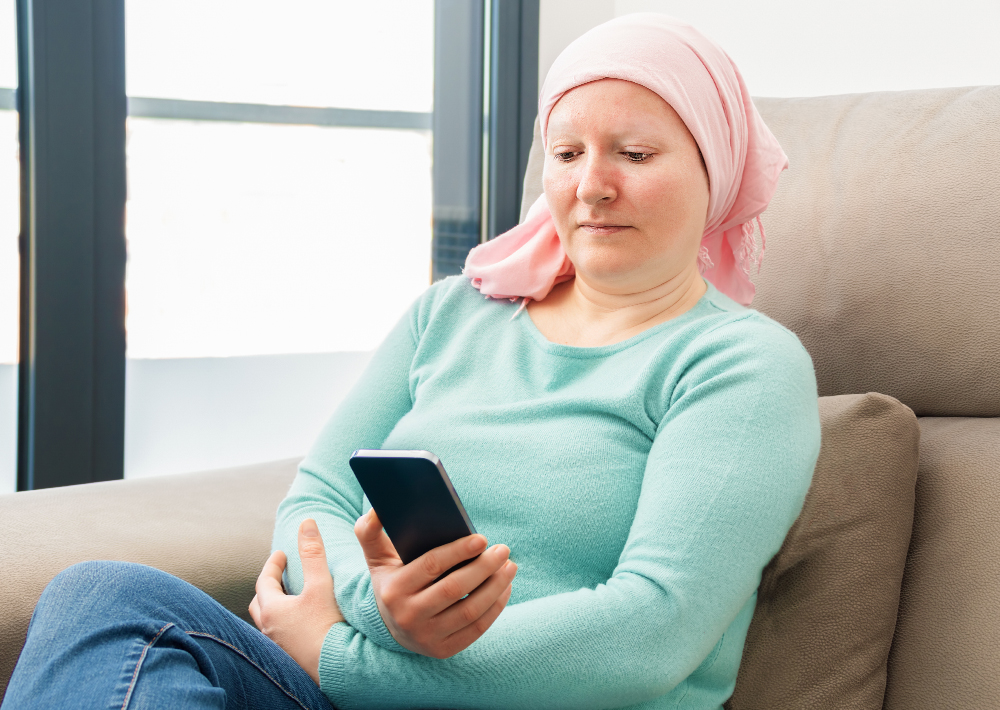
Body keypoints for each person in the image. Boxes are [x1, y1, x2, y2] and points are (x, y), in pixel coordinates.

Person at [2, 13, 820, 710]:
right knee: (104, 598)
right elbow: (319, 494)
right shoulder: (452, 313)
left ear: (713, 173)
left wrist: (340, 657)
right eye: (567, 153)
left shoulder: (739, 366)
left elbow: (650, 631)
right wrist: (380, 607)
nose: (591, 186)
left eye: (634, 155)